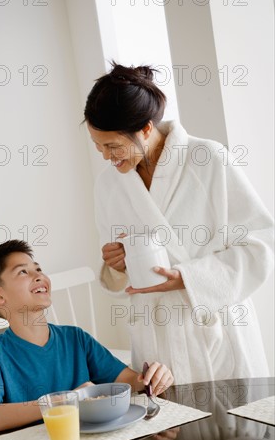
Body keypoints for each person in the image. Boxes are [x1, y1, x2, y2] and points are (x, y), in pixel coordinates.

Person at [84, 62, 274, 384]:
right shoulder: (108, 185)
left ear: (145, 128)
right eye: (98, 146)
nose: (106, 156)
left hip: (216, 331)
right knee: (171, 428)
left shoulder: (208, 159)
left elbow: (260, 243)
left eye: (113, 146)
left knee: (239, 430)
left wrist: (189, 278)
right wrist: (116, 265)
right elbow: (120, 273)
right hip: (156, 343)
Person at [0, 239, 173, 439]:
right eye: (23, 271)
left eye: (38, 269)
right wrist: (62, 402)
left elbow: (129, 381)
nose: (38, 276)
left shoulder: (76, 339)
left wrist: (153, 377)